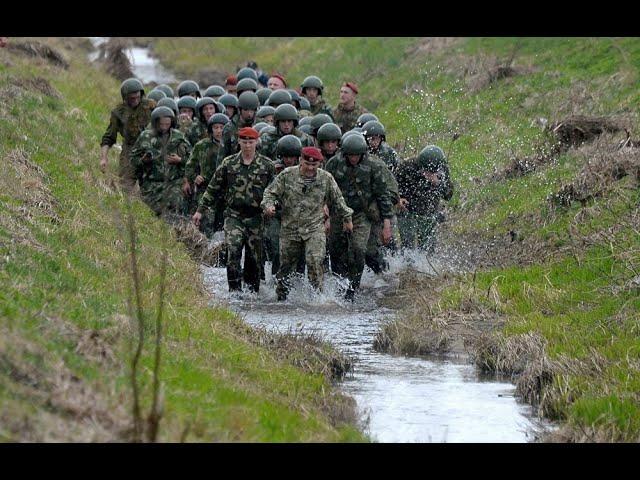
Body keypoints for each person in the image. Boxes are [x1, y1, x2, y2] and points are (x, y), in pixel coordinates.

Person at [262, 147, 353, 301]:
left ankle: (317, 298)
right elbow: (270, 193)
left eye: (314, 165)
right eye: (307, 164)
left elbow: (338, 200)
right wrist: (268, 205)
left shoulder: (326, 178)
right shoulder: (287, 175)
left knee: (315, 261)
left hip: (314, 227)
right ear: (300, 161)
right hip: (291, 228)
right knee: (286, 267)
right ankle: (281, 297)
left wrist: (347, 218)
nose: (310, 168)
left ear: (319, 164)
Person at [193, 127, 275, 293]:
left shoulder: (267, 165)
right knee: (234, 251)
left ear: (256, 142)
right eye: (244, 142)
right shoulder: (228, 163)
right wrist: (200, 210)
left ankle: (252, 293)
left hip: (256, 217)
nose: (247, 145)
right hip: (233, 216)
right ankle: (235, 292)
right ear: (239, 142)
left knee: (254, 258)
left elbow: (275, 190)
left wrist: (272, 207)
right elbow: (213, 188)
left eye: (250, 142)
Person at [325, 133, 393, 300]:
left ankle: (352, 288)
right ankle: (339, 284)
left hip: (362, 213)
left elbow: (383, 195)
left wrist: (387, 224)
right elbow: (324, 188)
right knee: (335, 248)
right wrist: (325, 213)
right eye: (351, 155)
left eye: (357, 155)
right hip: (338, 212)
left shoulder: (373, 166)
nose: (354, 158)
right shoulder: (334, 164)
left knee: (358, 249)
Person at [130, 106, 192, 218]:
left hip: (174, 182)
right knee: (152, 214)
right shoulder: (145, 137)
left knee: (176, 205)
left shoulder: (178, 137)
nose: (164, 127)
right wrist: (143, 161)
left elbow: (192, 160)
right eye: (161, 124)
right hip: (151, 184)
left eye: (167, 124)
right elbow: (132, 160)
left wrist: (180, 160)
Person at [100, 77, 157, 191]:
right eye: (132, 98)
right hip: (130, 149)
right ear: (125, 98)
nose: (135, 100)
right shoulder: (118, 112)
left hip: (152, 146)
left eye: (137, 96)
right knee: (125, 185)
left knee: (152, 185)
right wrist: (104, 158)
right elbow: (109, 137)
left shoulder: (151, 106)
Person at [395, 145, 454, 254]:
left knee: (428, 248)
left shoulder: (442, 170)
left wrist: (439, 184)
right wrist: (399, 199)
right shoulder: (407, 166)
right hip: (407, 210)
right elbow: (393, 186)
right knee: (407, 245)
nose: (427, 175)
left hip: (428, 212)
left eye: (431, 172)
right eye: (426, 171)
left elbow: (448, 195)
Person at [183, 113, 229, 235]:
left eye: (222, 127)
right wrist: (194, 177)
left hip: (227, 192)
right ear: (211, 129)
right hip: (206, 189)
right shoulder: (202, 146)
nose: (219, 131)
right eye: (215, 127)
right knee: (206, 225)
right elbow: (190, 166)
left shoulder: (233, 146)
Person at [218, 91, 260, 162]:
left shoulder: (259, 126)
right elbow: (222, 155)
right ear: (240, 110)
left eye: (252, 110)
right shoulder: (230, 128)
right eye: (246, 110)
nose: (249, 114)